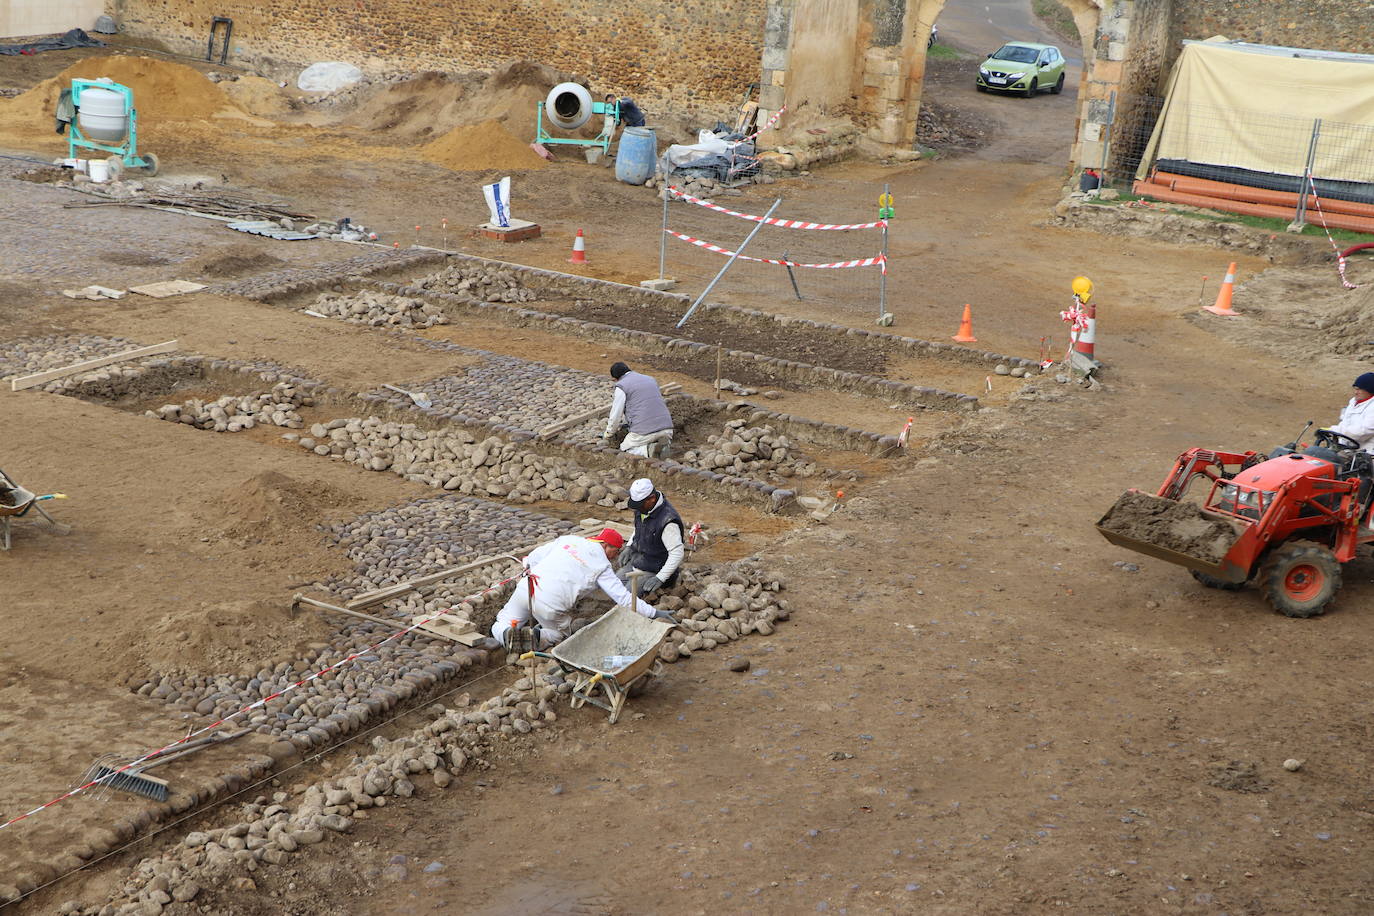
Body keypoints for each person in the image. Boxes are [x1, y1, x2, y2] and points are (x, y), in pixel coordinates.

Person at [490, 527, 672, 649]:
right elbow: (624, 598)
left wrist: (530, 567)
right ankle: (537, 636)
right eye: (616, 551)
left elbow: (534, 557)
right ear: (606, 546)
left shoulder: (568, 540)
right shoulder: (602, 566)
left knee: (503, 620)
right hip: (551, 605)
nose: (616, 557)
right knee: (558, 634)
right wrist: (654, 613)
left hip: (527, 587)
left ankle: (506, 633)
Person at [618, 478, 685, 597]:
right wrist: (629, 546)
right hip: (639, 561)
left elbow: (677, 552)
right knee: (614, 586)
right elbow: (640, 528)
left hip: (654, 569)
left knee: (627, 597)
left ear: (652, 498)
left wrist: (660, 578)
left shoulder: (667, 521)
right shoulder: (644, 508)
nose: (637, 509)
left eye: (639, 505)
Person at [603, 362, 674, 458]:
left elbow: (616, 415)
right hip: (667, 428)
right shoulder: (650, 379)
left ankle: (648, 450)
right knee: (656, 436)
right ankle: (664, 444)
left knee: (625, 449)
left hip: (645, 432)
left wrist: (608, 434)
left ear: (616, 378)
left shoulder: (622, 386)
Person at [1327, 372, 1374, 454]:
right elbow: (1344, 423)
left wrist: (1337, 431)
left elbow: (1364, 432)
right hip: (1346, 450)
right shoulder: (1353, 403)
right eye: (1355, 389)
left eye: (1360, 390)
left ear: (1370, 390)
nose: (1356, 392)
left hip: (1366, 454)